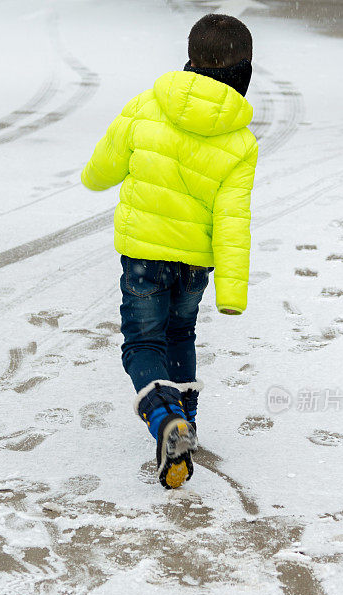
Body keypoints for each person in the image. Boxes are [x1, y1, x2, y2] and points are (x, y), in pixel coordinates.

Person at [81, 13, 258, 489]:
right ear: (244, 73)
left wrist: (93, 178)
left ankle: (166, 421)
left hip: (142, 254)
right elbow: (232, 219)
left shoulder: (145, 106)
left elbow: (102, 168)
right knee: (180, 334)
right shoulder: (239, 141)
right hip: (194, 264)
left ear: (190, 60)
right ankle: (186, 424)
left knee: (142, 343)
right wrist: (233, 291)